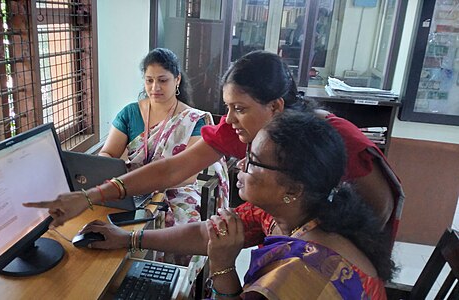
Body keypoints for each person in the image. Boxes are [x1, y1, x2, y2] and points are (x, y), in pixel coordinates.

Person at [24, 50, 399, 253]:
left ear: (276, 108)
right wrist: (92, 199)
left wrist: (314, 249)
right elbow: (174, 169)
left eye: (240, 108)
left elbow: (379, 210)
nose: (230, 120)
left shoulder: (334, 139)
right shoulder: (252, 148)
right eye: (227, 107)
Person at [203, 111, 394, 298]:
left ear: (292, 190)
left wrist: (223, 266)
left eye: (253, 161)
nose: (240, 165)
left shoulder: (302, 268)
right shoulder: (306, 217)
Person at [96, 48, 228, 227]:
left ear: (177, 80)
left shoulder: (193, 120)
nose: (155, 87)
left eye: (163, 80)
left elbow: (189, 174)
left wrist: (150, 184)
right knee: (106, 219)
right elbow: (108, 153)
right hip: (131, 189)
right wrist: (103, 167)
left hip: (177, 190)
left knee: (180, 223)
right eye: (149, 80)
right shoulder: (130, 113)